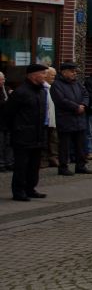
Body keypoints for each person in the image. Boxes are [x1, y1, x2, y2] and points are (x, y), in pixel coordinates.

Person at [1, 63, 49, 201]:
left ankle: (30, 188)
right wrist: (16, 130)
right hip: (22, 136)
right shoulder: (20, 92)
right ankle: (18, 191)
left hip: (38, 134)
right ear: (34, 75)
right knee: (21, 166)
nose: (45, 76)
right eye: (43, 73)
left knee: (34, 165)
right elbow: (8, 114)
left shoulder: (41, 91)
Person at [51, 62, 91, 175]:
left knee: (80, 145)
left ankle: (81, 166)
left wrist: (83, 105)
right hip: (66, 119)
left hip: (79, 118)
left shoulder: (77, 83)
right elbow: (60, 100)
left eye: (75, 71)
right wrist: (75, 107)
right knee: (64, 146)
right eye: (72, 71)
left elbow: (86, 94)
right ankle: (63, 167)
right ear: (64, 72)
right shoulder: (56, 85)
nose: (75, 73)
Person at [0, 71, 11, 172]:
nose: (3, 81)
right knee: (1, 143)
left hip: (8, 121)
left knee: (8, 143)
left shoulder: (6, 88)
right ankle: (1, 163)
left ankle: (9, 162)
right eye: (1, 79)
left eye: (3, 79)